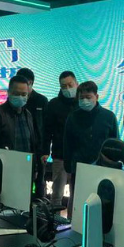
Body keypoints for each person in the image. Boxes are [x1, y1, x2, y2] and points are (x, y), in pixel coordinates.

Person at [64, 81, 118, 217]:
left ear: (96, 97)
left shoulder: (109, 116)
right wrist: (68, 168)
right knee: (78, 204)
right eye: (81, 98)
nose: (84, 101)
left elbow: (115, 145)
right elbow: (68, 143)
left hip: (103, 170)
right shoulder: (73, 117)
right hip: (79, 170)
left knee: (101, 206)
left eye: (88, 97)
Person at [42, 71, 79, 208]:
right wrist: (45, 151)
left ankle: (72, 220)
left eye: (70, 85)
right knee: (57, 194)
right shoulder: (53, 104)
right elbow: (47, 131)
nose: (67, 89)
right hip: (60, 155)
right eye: (64, 86)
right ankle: (53, 220)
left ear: (76, 84)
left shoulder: (82, 102)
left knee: (77, 195)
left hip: (79, 157)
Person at [18, 68, 49, 198]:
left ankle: (39, 207)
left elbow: (47, 127)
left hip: (39, 149)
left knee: (39, 181)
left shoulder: (42, 100)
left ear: (30, 82)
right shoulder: (17, 100)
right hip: (20, 148)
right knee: (21, 181)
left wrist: (46, 150)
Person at [0, 75, 36, 153]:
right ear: (8, 92)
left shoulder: (28, 115)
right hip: (5, 160)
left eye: (23, 94)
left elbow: (31, 144)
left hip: (26, 160)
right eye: (16, 94)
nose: (20, 97)